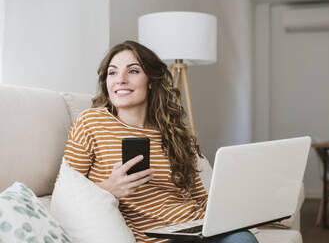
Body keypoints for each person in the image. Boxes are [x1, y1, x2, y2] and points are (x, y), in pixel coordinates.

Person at [63, 40, 258, 243]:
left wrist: (233, 218)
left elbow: (199, 196)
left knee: (243, 239)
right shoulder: (91, 122)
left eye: (133, 71)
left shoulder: (174, 131)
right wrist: (109, 189)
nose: (120, 79)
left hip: (198, 229)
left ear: (150, 80)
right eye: (112, 73)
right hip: (160, 239)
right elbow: (67, 196)